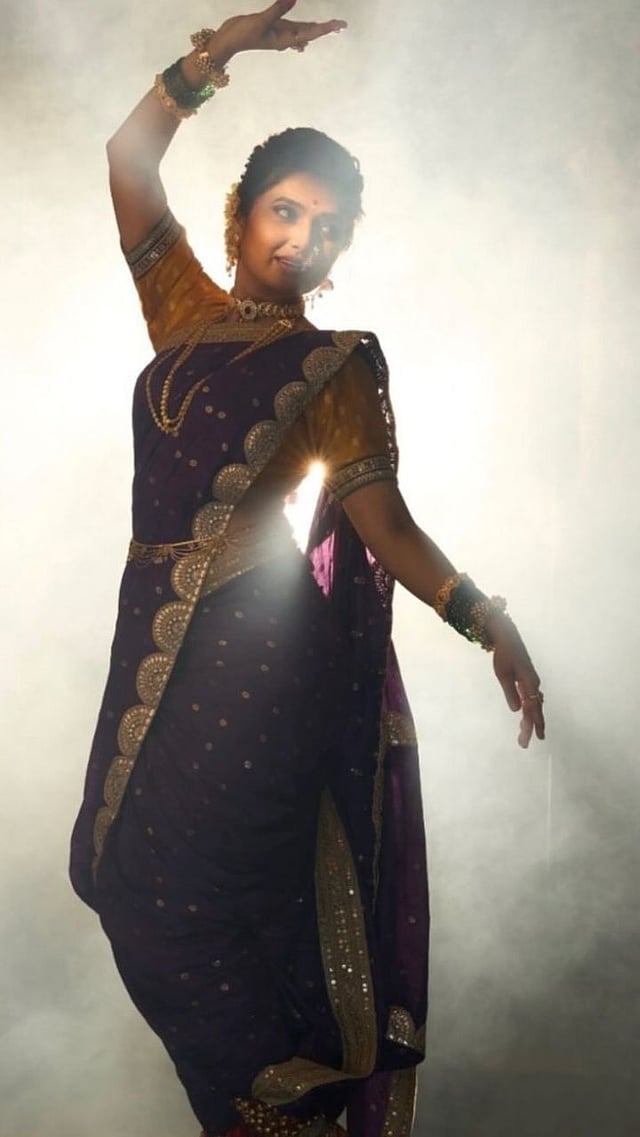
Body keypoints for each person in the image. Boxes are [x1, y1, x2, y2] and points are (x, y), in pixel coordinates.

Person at [69, 4, 545, 1136]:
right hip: (157, 646)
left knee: (197, 910)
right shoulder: (182, 315)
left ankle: (284, 1116)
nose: (303, 240)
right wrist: (218, 54)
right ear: (242, 212)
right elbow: (126, 162)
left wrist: (487, 619)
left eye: (329, 229)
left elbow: (385, 527)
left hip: (255, 662)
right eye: (286, 210)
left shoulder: (334, 365)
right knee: (130, 889)